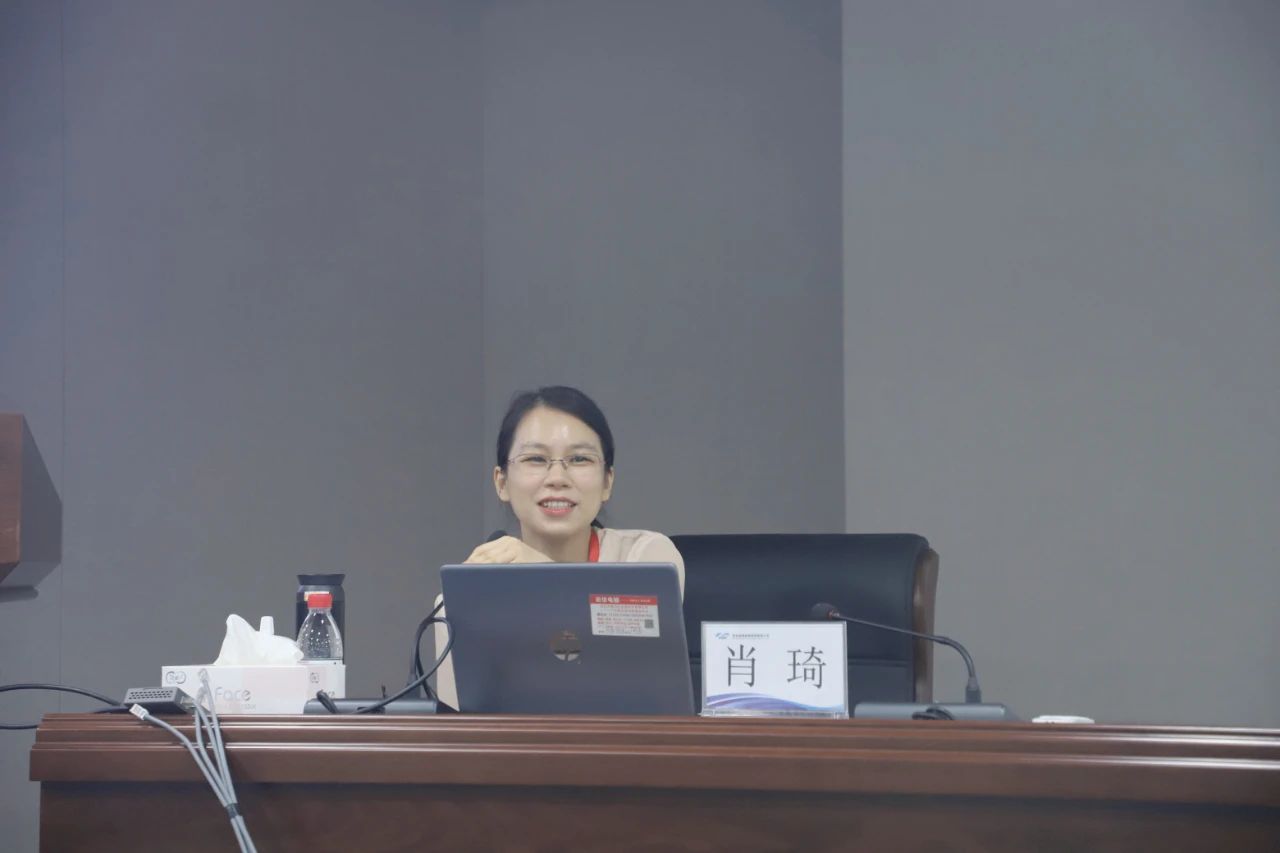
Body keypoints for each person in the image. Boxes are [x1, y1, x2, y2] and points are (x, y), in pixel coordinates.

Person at [433, 385, 684, 710]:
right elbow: (459, 720)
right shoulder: (470, 591)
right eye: (535, 459)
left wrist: (531, 569)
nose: (557, 478)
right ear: (501, 482)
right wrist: (467, 604)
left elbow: (629, 682)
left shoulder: (647, 558)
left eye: (579, 459)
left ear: (607, 481)